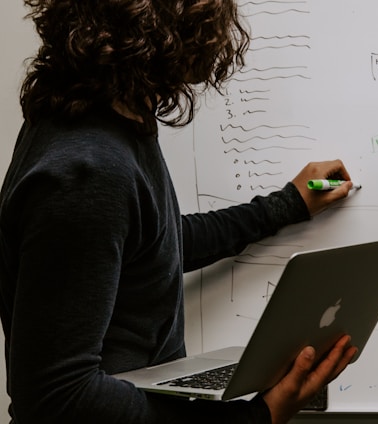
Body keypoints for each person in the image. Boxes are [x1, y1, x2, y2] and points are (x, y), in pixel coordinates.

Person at [0, 0, 358, 423]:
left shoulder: (107, 121)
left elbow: (152, 247)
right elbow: (58, 397)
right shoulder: (88, 170)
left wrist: (287, 205)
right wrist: (258, 417)